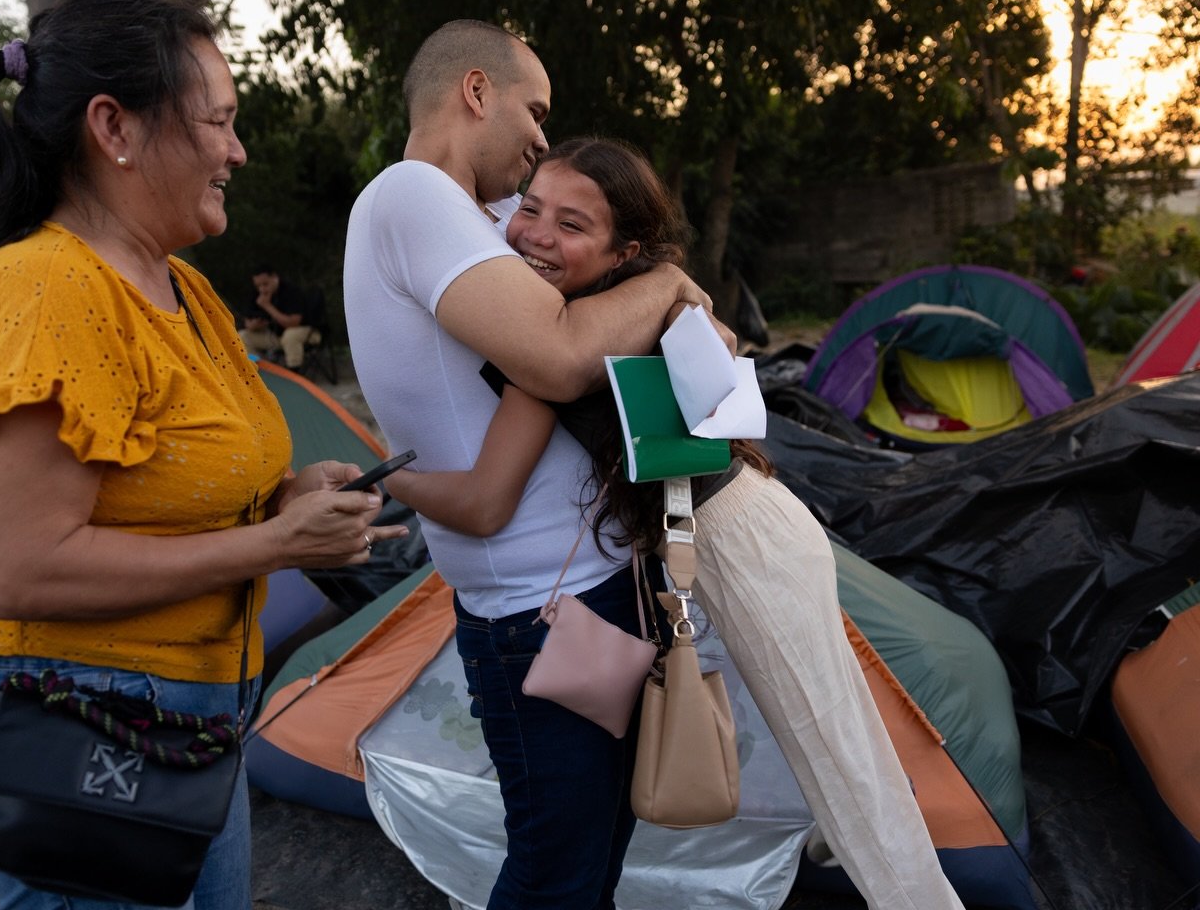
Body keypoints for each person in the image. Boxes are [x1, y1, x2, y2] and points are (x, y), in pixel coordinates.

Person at [0, 0, 407, 910]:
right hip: (81, 727)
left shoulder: (181, 287)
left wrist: (288, 498)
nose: (237, 150)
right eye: (217, 122)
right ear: (115, 127)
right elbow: (23, 570)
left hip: (194, 724)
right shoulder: (43, 291)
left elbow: (169, 492)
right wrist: (273, 547)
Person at [386, 137, 966, 910]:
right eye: (527, 210)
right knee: (836, 740)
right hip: (732, 536)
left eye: (571, 224)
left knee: (844, 761)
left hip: (746, 538)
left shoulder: (571, 339)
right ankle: (838, 839)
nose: (533, 235)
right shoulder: (618, 304)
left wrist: (395, 477)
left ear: (623, 250)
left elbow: (489, 496)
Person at [343, 21, 729, 910]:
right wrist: (668, 282)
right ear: (476, 91)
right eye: (535, 109)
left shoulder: (483, 222)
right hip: (536, 615)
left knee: (594, 854)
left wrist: (651, 286)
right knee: (558, 867)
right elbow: (559, 356)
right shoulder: (411, 195)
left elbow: (655, 328)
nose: (542, 138)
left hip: (590, 592)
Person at [242, 268, 314, 369]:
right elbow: (247, 322)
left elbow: (294, 322)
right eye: (258, 286)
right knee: (243, 336)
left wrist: (267, 306)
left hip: (303, 332)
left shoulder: (291, 291)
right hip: (274, 336)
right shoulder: (257, 293)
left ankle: (294, 373)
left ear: (275, 278)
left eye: (265, 284)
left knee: (290, 336)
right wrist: (254, 325)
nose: (262, 289)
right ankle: (259, 367)